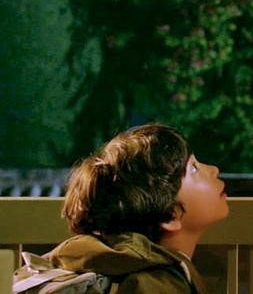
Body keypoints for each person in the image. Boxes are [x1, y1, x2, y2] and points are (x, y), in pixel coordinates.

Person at [47, 123, 228, 293]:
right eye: (194, 169)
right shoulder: (157, 285)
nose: (214, 169)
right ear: (170, 215)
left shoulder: (100, 264)